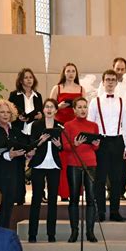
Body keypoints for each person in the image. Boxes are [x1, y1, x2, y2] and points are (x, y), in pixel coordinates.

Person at [88, 69, 126, 222]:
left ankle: (114, 211)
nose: (111, 82)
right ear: (103, 82)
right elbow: (90, 124)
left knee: (116, 179)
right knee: (100, 179)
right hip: (102, 142)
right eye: (108, 79)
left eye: (113, 79)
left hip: (118, 142)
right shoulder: (95, 101)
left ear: (116, 82)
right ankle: (100, 211)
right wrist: (92, 142)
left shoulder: (122, 101)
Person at [0, 99, 27, 228]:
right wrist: (9, 155)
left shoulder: (16, 131)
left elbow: (24, 145)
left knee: (8, 209)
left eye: (8, 112)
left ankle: (3, 237)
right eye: (2, 112)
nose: (5, 115)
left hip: (13, 175)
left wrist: (29, 150)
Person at [62, 97, 100, 243]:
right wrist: (75, 143)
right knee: (74, 198)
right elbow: (65, 146)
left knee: (91, 198)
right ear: (74, 109)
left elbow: (95, 147)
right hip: (74, 164)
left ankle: (90, 232)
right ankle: (74, 231)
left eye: (85, 107)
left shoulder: (93, 125)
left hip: (90, 163)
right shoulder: (68, 125)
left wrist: (96, 143)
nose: (83, 110)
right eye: (79, 107)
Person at [27, 98, 62, 243]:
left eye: (51, 107)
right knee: (36, 199)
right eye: (46, 107)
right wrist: (40, 141)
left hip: (54, 165)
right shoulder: (36, 124)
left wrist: (59, 145)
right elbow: (31, 145)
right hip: (39, 165)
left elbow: (63, 147)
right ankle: (32, 234)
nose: (49, 109)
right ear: (43, 109)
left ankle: (51, 234)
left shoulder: (60, 126)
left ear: (55, 110)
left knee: (53, 200)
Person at [50, 62, 86, 202]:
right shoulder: (57, 88)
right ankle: (63, 192)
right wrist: (58, 106)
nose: (71, 73)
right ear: (64, 73)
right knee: (63, 160)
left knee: (76, 159)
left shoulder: (81, 89)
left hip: (76, 127)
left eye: (73, 71)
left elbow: (84, 108)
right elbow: (49, 109)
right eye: (68, 71)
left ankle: (75, 191)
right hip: (60, 127)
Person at [8, 68, 44, 205]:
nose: (29, 79)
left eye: (31, 77)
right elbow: (9, 113)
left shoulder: (37, 96)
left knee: (37, 165)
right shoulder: (14, 95)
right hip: (20, 133)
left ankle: (39, 195)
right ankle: (19, 196)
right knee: (19, 166)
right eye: (26, 77)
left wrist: (40, 116)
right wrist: (19, 118)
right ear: (21, 80)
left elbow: (41, 112)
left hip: (34, 133)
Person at [98, 57, 126, 201]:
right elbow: (97, 115)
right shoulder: (99, 93)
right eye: (117, 69)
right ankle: (107, 195)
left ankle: (118, 196)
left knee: (119, 169)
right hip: (105, 134)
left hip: (120, 132)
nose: (119, 72)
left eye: (122, 69)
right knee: (104, 169)